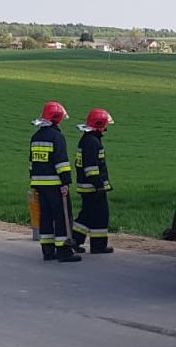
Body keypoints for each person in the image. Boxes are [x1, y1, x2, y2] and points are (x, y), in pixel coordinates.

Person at [29, 101, 81, 262]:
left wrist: (35, 183)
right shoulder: (56, 137)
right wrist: (65, 182)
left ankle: (47, 250)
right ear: (57, 118)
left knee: (45, 217)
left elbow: (32, 164)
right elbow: (61, 163)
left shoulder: (35, 137)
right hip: (55, 185)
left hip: (39, 185)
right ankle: (64, 251)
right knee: (62, 217)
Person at [72, 108, 115, 254]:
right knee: (94, 216)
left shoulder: (88, 139)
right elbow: (91, 168)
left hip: (89, 186)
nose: (106, 128)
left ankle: (96, 244)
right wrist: (99, 185)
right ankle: (77, 240)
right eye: (105, 125)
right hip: (92, 187)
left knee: (94, 215)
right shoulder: (92, 142)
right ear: (100, 124)